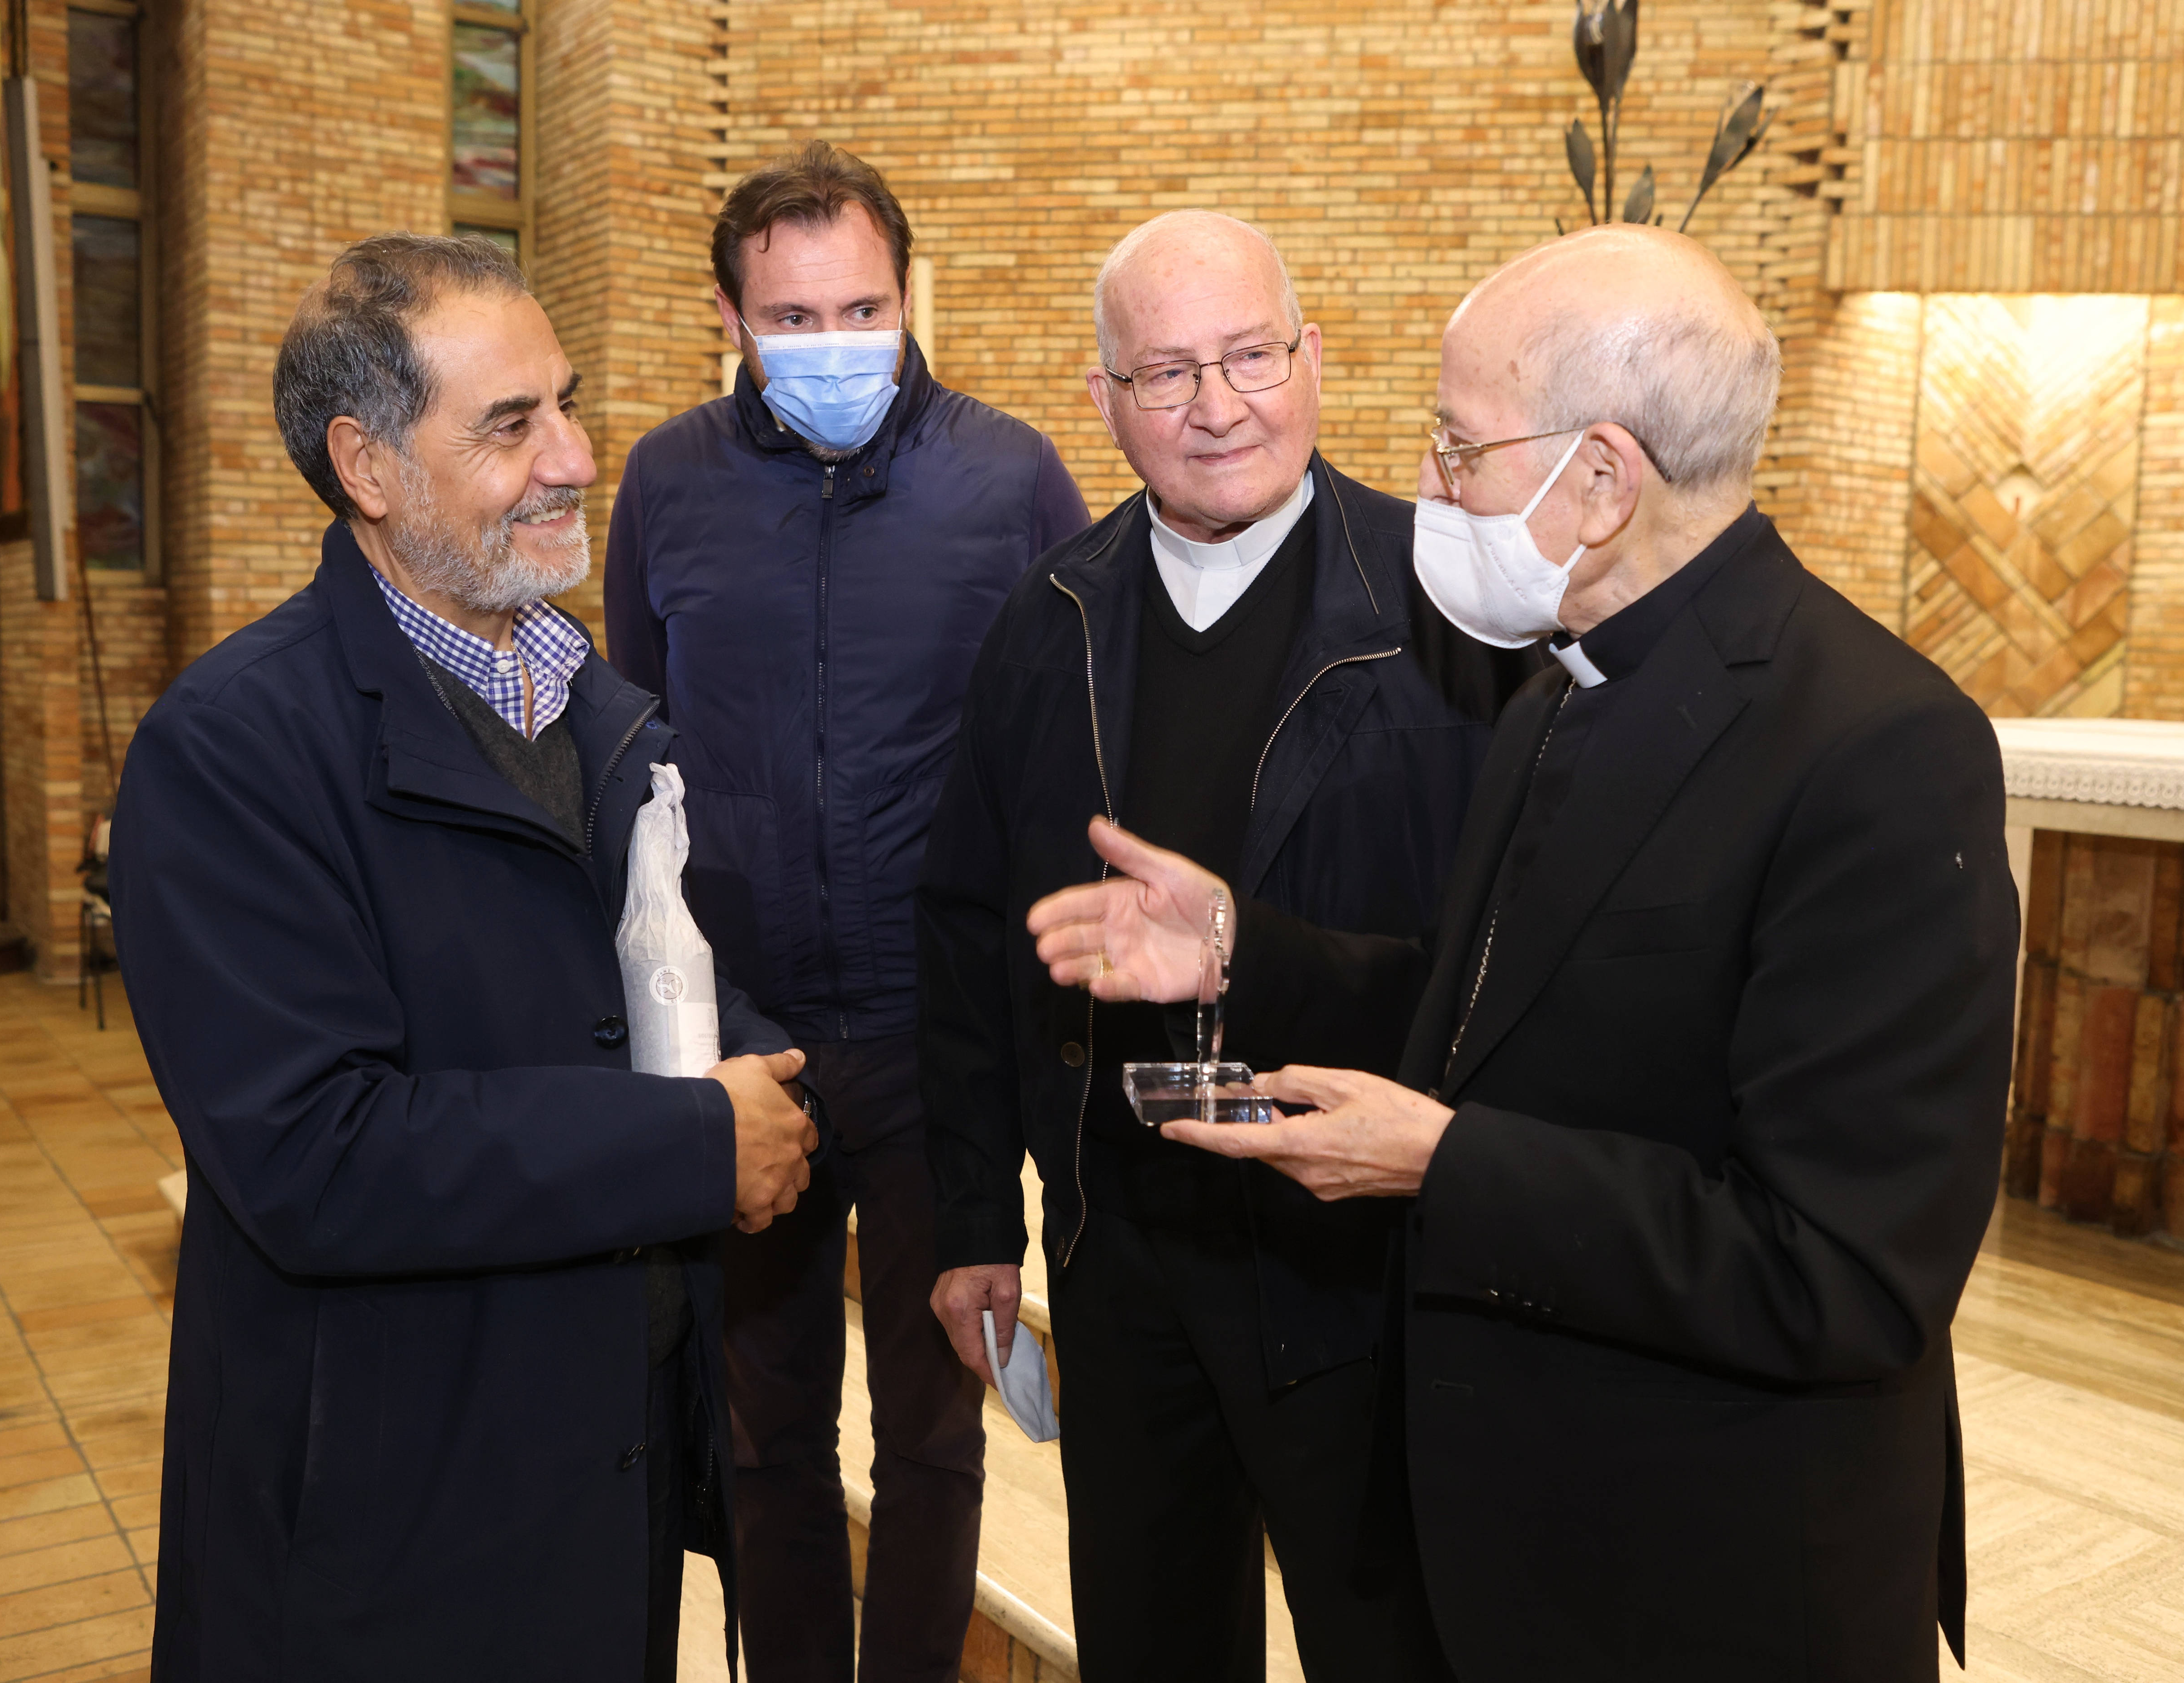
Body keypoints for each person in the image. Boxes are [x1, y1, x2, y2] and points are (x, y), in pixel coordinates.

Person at [1027, 225, 2019, 1682]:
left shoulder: (1879, 747)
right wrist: (1241, 950)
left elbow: (1841, 1271)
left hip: (1709, 1564)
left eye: (1458, 446)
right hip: (1518, 1529)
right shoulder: (1563, 685)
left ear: (1601, 478)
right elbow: (1480, 1009)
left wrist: (1444, 1162)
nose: (1427, 484)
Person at [112, 233, 817, 1683]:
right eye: (510, 425)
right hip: (398, 1517)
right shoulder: (232, 748)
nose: (574, 458)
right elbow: (315, 1153)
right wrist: (698, 1143)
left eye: (567, 404)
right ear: (366, 466)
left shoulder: (591, 704)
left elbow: (636, 981)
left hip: (600, 1466)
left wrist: (764, 1064)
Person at [918, 209, 1536, 1683]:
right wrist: (972, 1221)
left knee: (1392, 1647)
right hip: (1124, 1250)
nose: (1217, 406)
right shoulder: (1047, 621)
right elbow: (962, 931)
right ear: (1104, 400)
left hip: (1364, 1256)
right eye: (1167, 372)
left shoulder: (1453, 602)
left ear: (1313, 357)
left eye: (1251, 355)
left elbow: (1512, 957)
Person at [603, 141, 1090, 1683]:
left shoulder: (1010, 478)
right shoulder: (665, 483)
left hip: (939, 1039)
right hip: (750, 1043)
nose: (833, 342)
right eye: (792, 317)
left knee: (935, 1434)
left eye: (862, 308)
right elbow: (642, 747)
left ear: (906, 293)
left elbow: (1064, 749)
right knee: (764, 1428)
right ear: (730, 321)